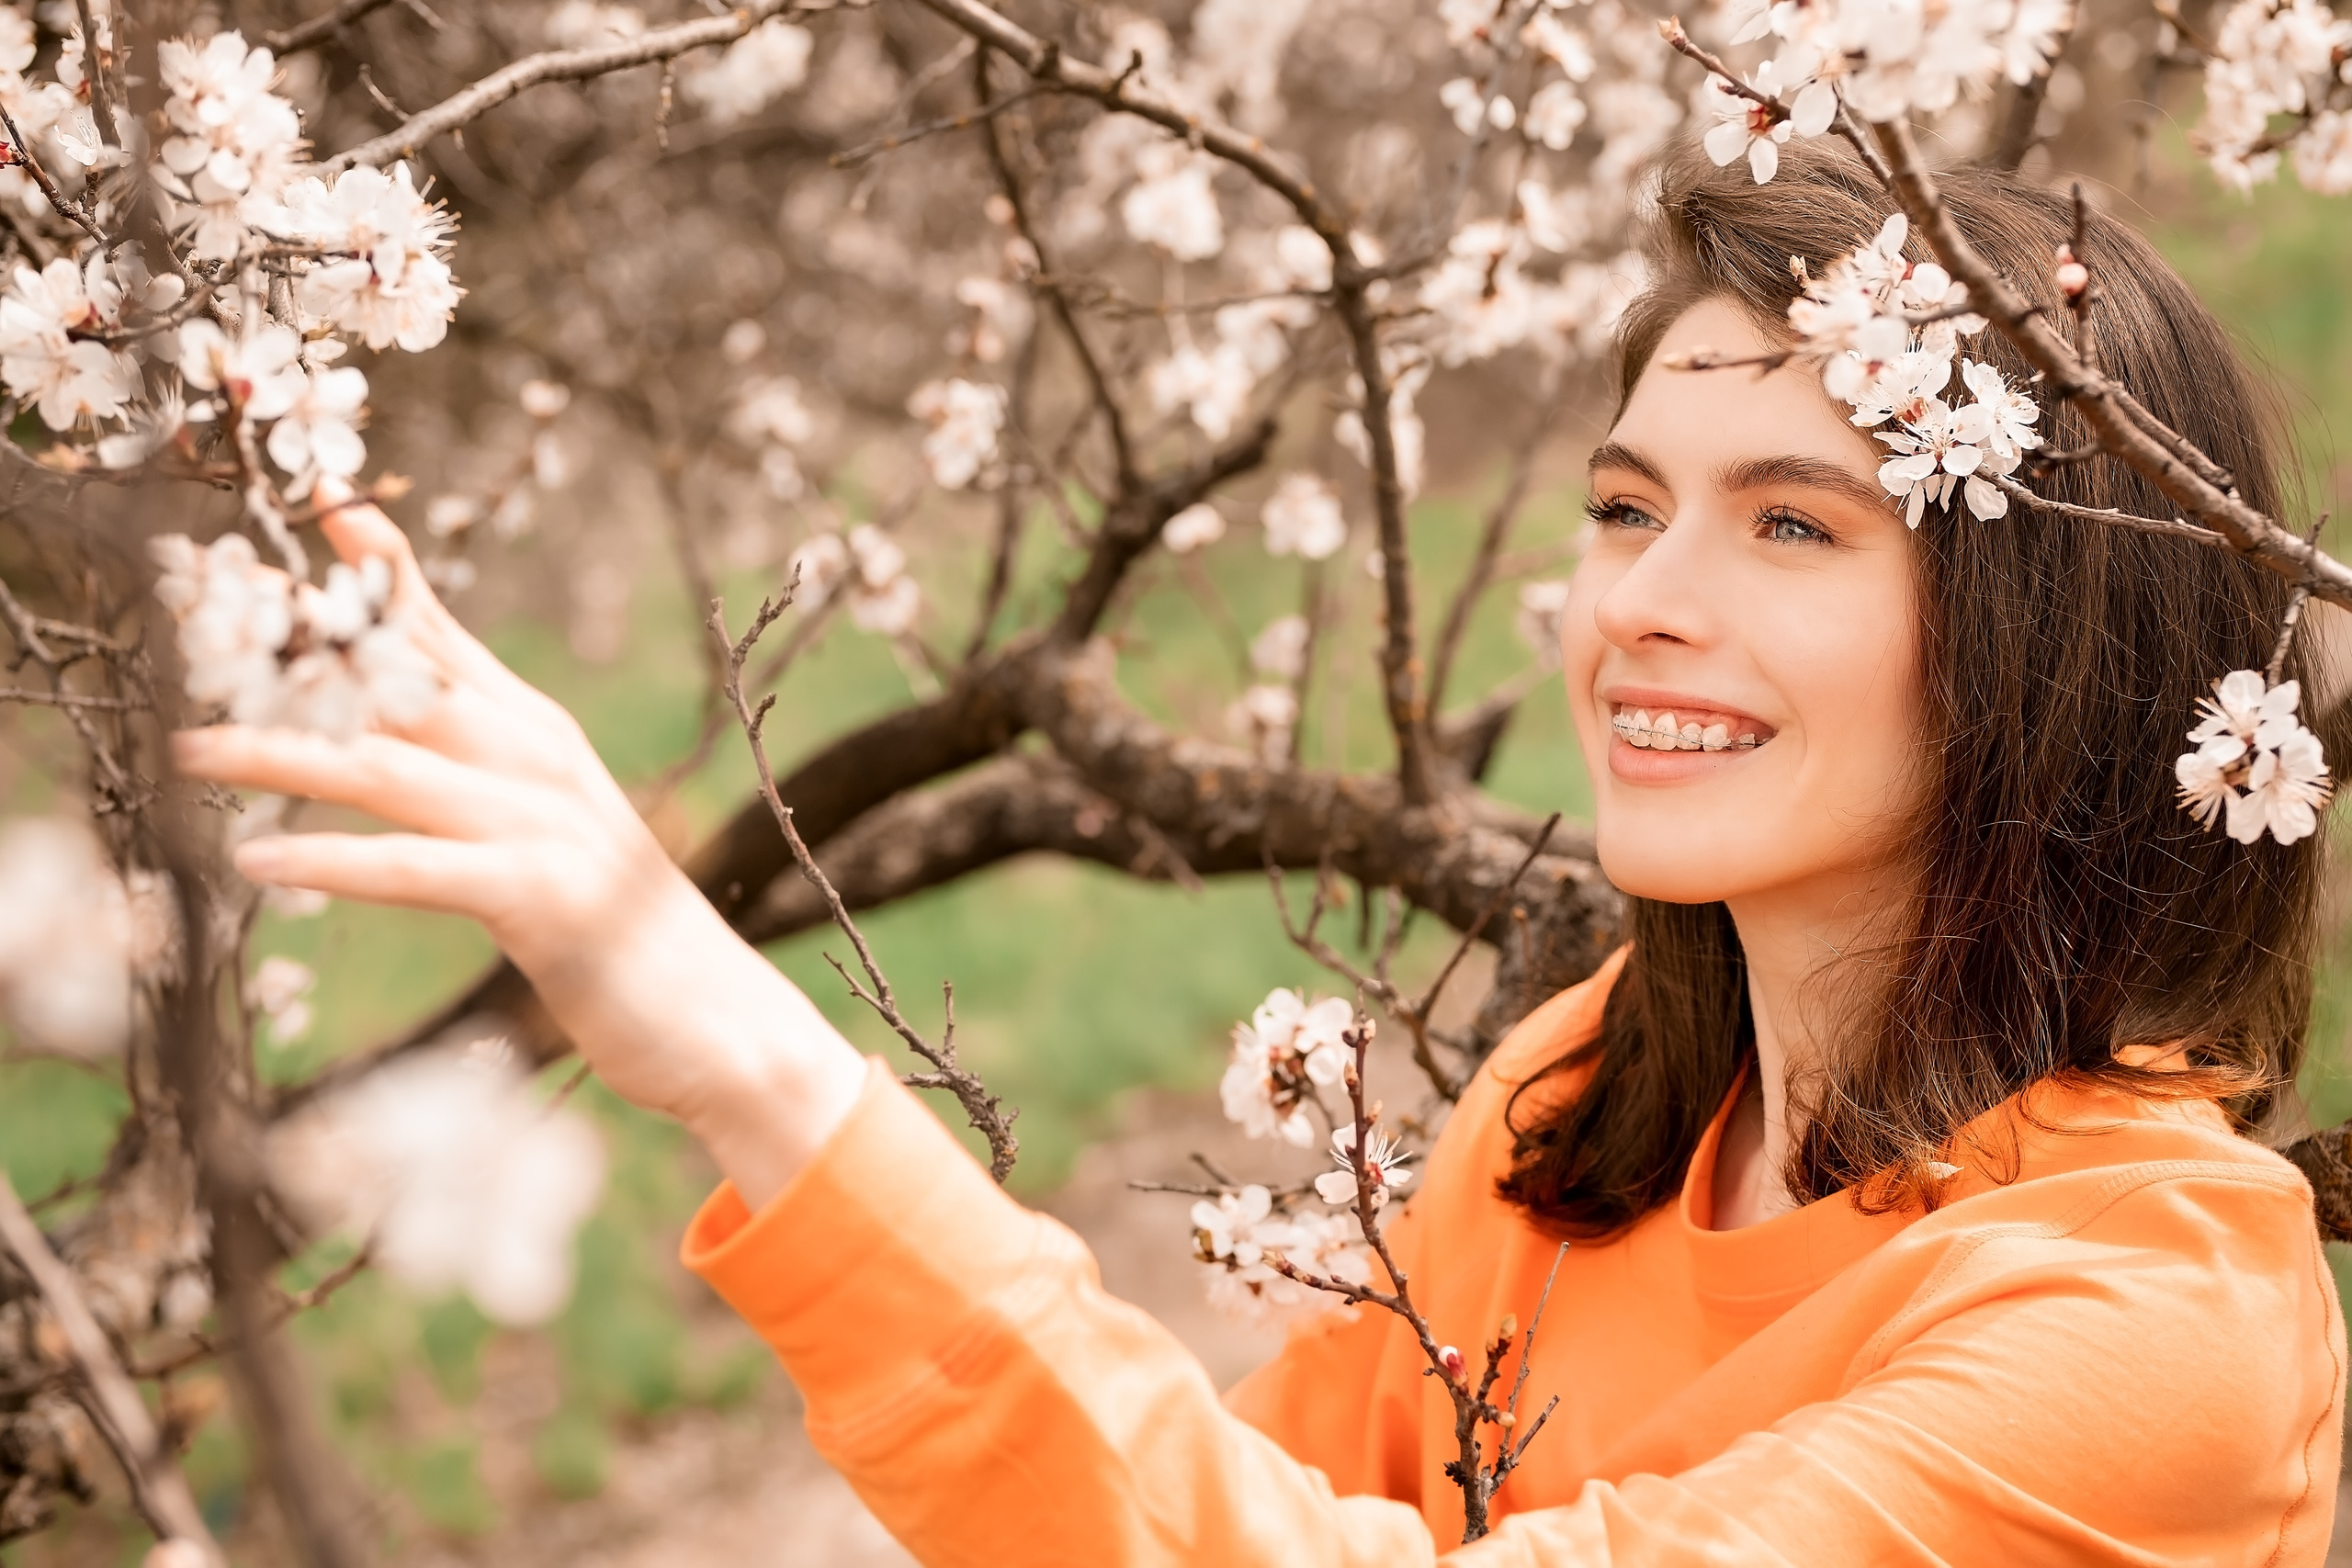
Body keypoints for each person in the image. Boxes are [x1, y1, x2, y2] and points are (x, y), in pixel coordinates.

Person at [172, 141, 2346, 1564]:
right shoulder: (1585, 1100)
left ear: (2047, 638)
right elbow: (1234, 1503)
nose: (1638, 602)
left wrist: (743, 1044)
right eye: (1620, 503)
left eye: (1791, 519)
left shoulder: (2145, 1326)